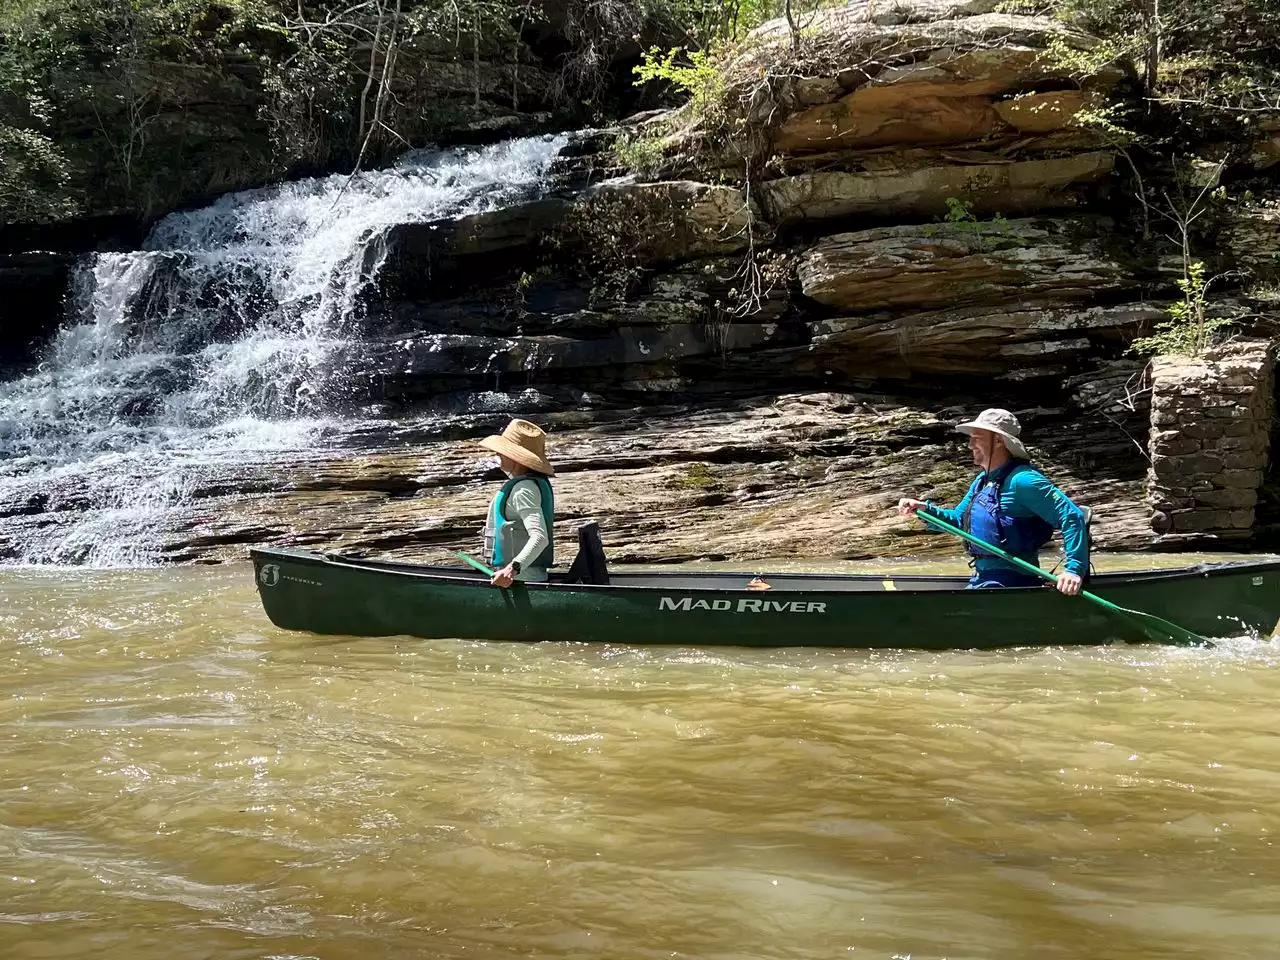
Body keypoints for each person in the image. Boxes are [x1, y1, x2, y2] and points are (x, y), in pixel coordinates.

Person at [896, 408, 1089, 595]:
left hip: (1013, 580)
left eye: (977, 437)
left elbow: (1072, 515)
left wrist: (1073, 570)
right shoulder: (982, 481)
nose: (970, 445)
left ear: (998, 440)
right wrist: (924, 509)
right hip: (984, 577)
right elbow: (958, 521)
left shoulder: (1023, 480)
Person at [477, 418, 555, 588]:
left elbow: (540, 537)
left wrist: (512, 569)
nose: (498, 455)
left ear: (516, 457)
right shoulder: (526, 484)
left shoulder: (524, 489)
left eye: (502, 451)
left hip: (520, 580)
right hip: (517, 578)